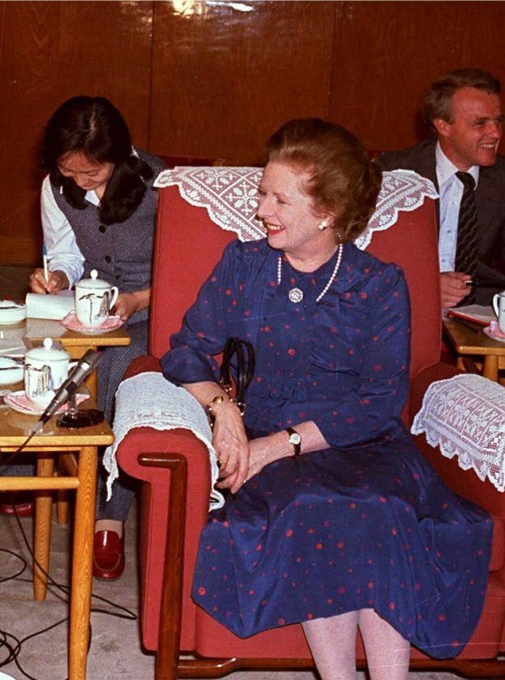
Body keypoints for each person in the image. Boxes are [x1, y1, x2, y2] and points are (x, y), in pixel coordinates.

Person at [160, 118, 491, 679]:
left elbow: (380, 400)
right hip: (275, 448)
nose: (261, 208)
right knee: (317, 509)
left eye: (278, 199)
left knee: (381, 508)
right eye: (262, 192)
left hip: (362, 443)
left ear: (327, 213)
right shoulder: (243, 265)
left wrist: (279, 446)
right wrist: (225, 415)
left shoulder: (378, 284)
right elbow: (186, 351)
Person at [1, 95, 166, 581]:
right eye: (68, 172)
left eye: (90, 173)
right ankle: (41, 472)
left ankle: (108, 515)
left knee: (119, 364)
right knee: (37, 348)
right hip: (92, 302)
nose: (79, 182)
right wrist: (55, 279)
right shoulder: (59, 186)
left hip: (156, 303)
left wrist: (139, 299)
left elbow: (189, 270)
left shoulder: (161, 185)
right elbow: (68, 256)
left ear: (118, 156)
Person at [378, 67, 505, 308]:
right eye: (481, 123)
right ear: (443, 126)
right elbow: (366, 260)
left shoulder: (502, 180)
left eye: (498, 121)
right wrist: (423, 285)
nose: (496, 133)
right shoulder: (393, 173)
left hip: (482, 313)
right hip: (405, 304)